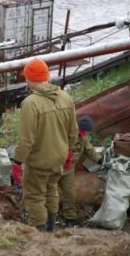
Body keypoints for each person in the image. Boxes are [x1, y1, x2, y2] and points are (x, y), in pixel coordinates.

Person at [12, 58, 77, 232]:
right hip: (59, 158)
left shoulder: (30, 103)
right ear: (46, 76)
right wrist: (69, 152)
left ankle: (39, 235)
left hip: (39, 161)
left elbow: (26, 140)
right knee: (51, 190)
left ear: (30, 79)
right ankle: (51, 228)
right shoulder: (66, 97)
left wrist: (17, 162)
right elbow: (73, 131)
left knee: (34, 196)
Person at [58, 115, 102, 227]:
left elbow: (89, 150)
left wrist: (101, 161)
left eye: (86, 132)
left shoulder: (83, 138)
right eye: (83, 131)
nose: (84, 133)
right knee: (51, 193)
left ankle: (70, 219)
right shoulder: (65, 134)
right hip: (56, 167)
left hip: (68, 169)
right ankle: (48, 217)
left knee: (69, 193)